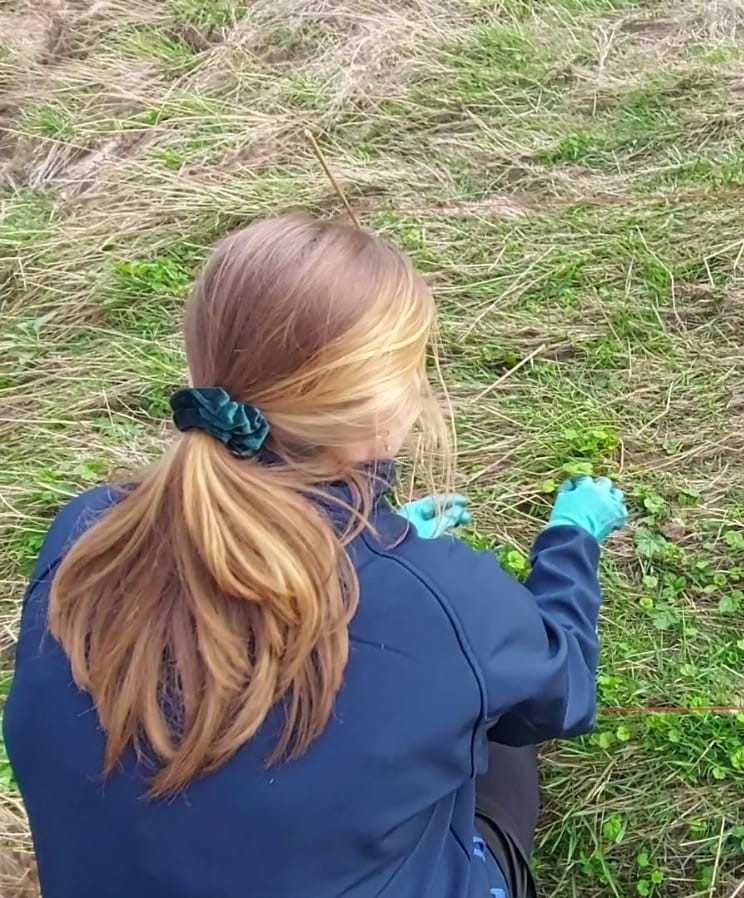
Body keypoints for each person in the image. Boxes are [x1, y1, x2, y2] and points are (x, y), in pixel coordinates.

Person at [2, 214, 629, 898]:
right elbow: (563, 691)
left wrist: (360, 542)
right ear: (379, 410)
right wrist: (572, 538)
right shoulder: (446, 606)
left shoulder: (83, 534)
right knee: (500, 726)